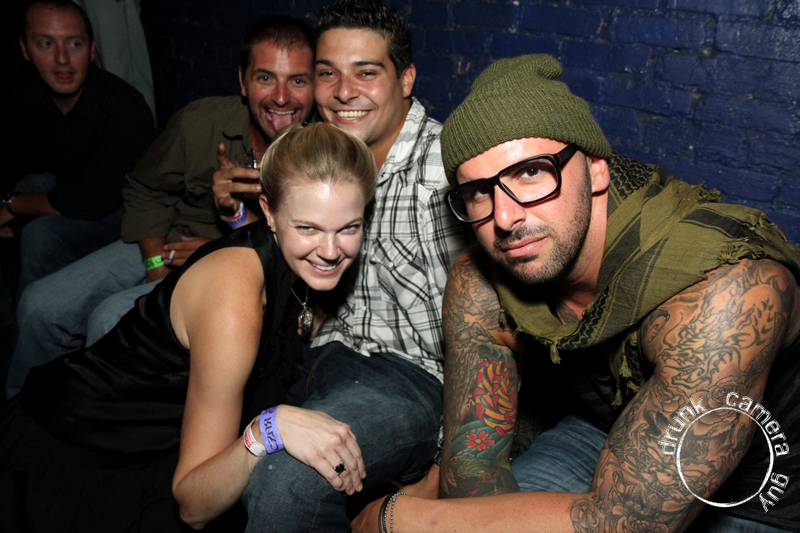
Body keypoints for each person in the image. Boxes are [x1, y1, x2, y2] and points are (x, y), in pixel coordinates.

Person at [352, 55, 800, 532]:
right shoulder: (483, 279)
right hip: (602, 433)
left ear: (596, 170)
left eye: (531, 173)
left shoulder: (728, 289)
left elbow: (627, 523)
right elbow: (475, 464)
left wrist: (400, 518)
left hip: (763, 493)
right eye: (480, 191)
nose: (505, 217)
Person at [1, 122, 376, 532]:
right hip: (72, 456)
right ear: (269, 211)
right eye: (308, 228)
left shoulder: (280, 256)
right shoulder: (234, 304)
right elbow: (194, 507)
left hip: (148, 449)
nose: (330, 251)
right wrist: (271, 428)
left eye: (349, 228)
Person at [241, 1, 466, 531]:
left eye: (366, 72)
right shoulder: (327, 155)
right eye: (327, 74)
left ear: (405, 79)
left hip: (409, 378)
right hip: (321, 353)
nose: (343, 92)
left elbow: (492, 339)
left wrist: (444, 471)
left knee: (286, 482)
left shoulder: (445, 172)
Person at [6, 15, 316, 398]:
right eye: (265, 77)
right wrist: (154, 263)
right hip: (165, 241)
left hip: (235, 265)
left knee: (110, 320)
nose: (281, 97)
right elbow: (144, 187)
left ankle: (89, 424)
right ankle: (23, 415)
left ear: (315, 84)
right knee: (40, 307)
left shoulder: (323, 153)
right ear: (242, 80)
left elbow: (301, 258)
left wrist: (222, 240)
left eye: (297, 81)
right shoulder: (200, 122)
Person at [4, 0, 155, 295]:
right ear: (25, 49)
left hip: (126, 210)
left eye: (74, 44)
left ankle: (35, 316)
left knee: (42, 235)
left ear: (92, 49)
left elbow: (90, 199)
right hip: (73, 186)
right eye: (46, 44)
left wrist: (12, 206)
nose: (62, 59)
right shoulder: (27, 95)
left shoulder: (124, 108)